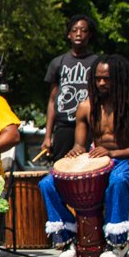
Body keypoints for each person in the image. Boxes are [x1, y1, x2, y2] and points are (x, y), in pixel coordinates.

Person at [39, 54, 129, 257]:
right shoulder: (86, 106)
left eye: (107, 79)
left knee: (117, 180)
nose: (101, 83)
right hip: (95, 160)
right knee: (47, 183)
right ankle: (68, 238)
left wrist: (112, 154)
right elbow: (80, 145)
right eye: (97, 78)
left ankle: (118, 241)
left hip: (126, 163)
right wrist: (74, 153)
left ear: (120, 78)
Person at [42, 16, 100, 163]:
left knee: (90, 167)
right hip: (64, 126)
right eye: (74, 30)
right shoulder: (58, 63)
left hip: (90, 125)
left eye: (83, 30)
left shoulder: (97, 62)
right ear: (69, 35)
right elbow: (52, 100)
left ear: (90, 34)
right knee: (62, 167)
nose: (79, 34)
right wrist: (48, 136)